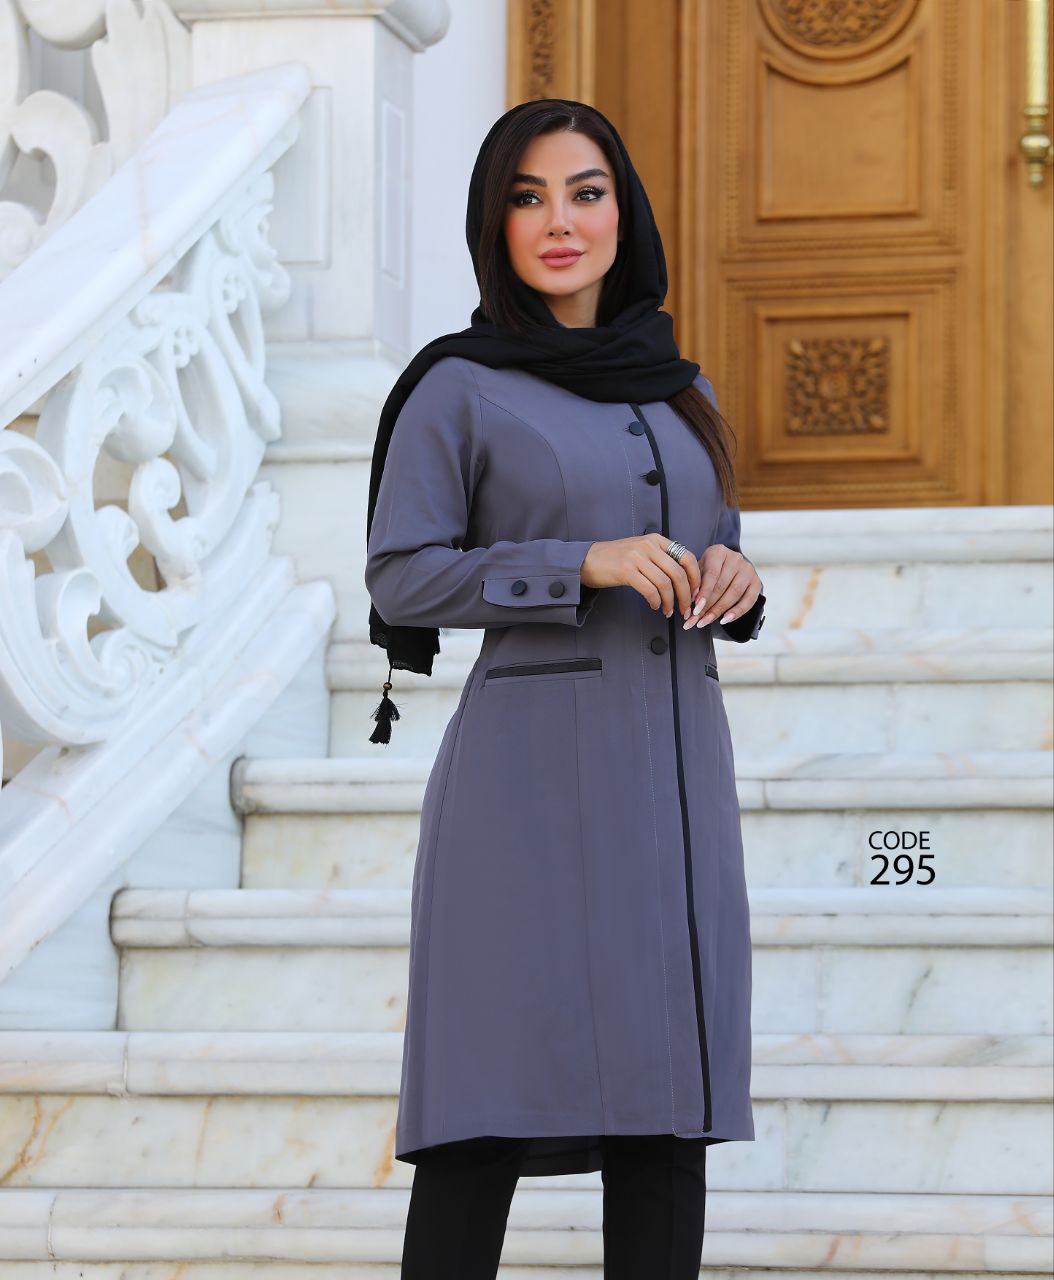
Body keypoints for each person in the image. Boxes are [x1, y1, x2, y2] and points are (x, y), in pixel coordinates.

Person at [364, 98, 766, 1279]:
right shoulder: (457, 385)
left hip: (676, 778)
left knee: (668, 1108)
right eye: (527, 197)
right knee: (483, 1100)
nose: (559, 222)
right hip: (526, 791)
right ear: (493, 223)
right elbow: (402, 571)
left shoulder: (680, 386)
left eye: (585, 193)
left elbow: (713, 545)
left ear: (621, 213)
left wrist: (736, 577)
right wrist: (578, 562)